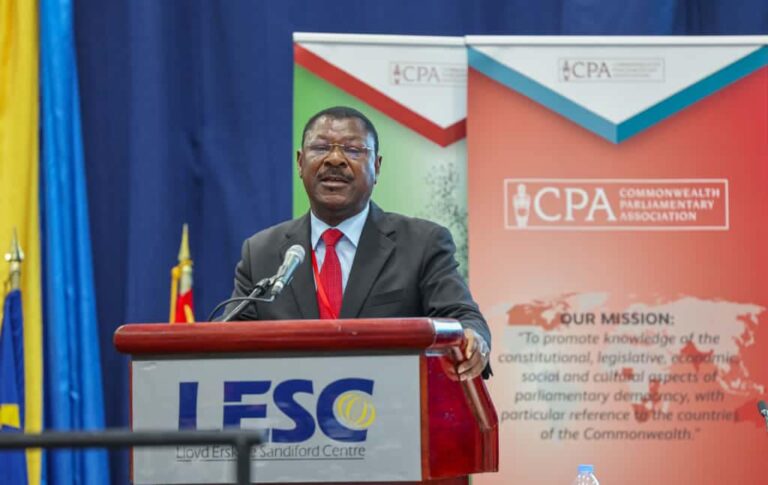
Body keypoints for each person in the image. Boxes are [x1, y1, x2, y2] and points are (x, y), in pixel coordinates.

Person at [226, 106, 491, 380]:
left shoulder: (422, 243)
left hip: (392, 411)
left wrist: (475, 339)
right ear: (299, 163)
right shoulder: (261, 253)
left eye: (353, 150)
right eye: (320, 148)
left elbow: (463, 318)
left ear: (377, 167)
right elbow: (230, 343)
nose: (335, 159)